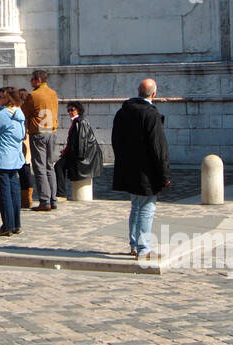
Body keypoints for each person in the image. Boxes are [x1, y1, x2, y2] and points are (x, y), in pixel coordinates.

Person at [111, 78, 171, 258]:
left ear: (138, 91)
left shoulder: (123, 112)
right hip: (146, 170)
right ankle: (143, 247)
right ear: (154, 94)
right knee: (146, 208)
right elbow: (158, 148)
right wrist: (164, 173)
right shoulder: (151, 115)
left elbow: (116, 141)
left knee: (136, 206)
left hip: (129, 168)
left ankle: (134, 244)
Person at [0, 88, 26, 237]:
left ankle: (7, 225)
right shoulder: (19, 115)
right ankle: (15, 224)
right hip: (14, 158)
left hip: (2, 158)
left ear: (8, 100)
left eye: (0, 97)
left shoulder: (3, 115)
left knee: (4, 193)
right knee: (14, 191)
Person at [23, 69, 59, 212]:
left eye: (32, 79)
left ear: (38, 80)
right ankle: (53, 198)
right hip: (52, 131)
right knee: (50, 166)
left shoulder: (33, 95)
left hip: (38, 132)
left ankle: (44, 200)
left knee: (39, 167)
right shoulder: (53, 93)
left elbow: (24, 112)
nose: (30, 82)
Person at [55, 101, 104, 199]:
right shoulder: (77, 121)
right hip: (78, 153)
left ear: (78, 110)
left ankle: (61, 193)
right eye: (68, 110)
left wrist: (70, 155)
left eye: (72, 110)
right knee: (59, 165)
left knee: (59, 166)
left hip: (83, 156)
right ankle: (60, 193)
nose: (70, 112)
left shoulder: (80, 122)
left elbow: (81, 143)